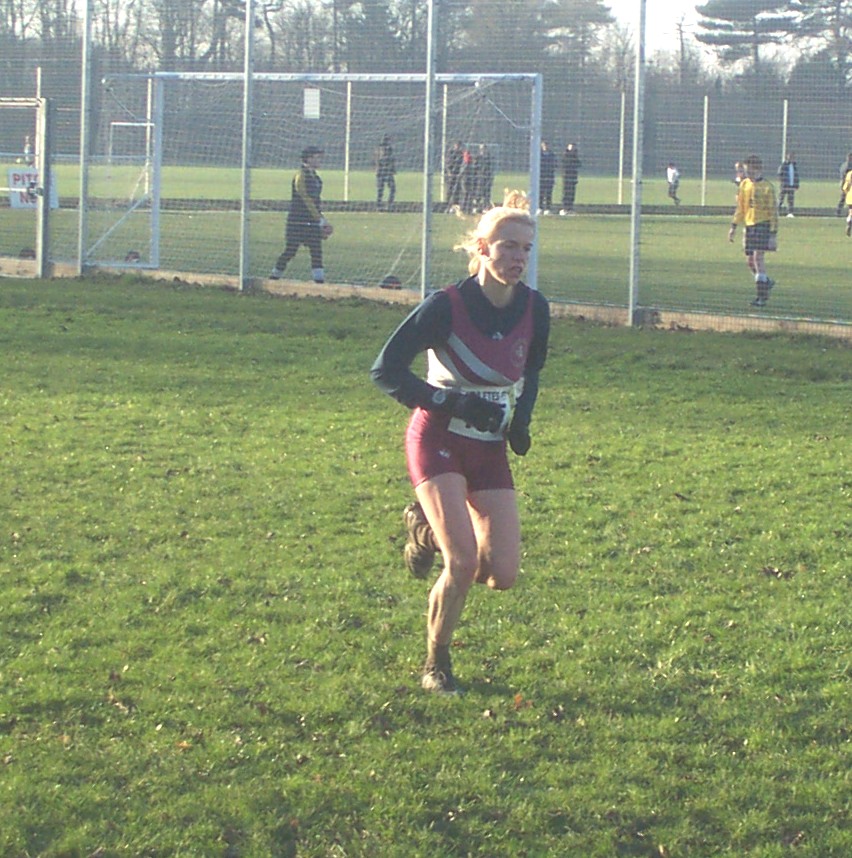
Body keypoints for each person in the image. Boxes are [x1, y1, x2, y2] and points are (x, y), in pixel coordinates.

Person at [370, 190, 550, 695]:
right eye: (507, 246)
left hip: (488, 446)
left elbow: (532, 372)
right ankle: (437, 662)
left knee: (502, 574)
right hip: (437, 438)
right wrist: (453, 403)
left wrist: (522, 420)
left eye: (526, 249)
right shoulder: (445, 306)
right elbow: (385, 371)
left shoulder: (535, 307)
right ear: (482, 248)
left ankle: (425, 531)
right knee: (463, 562)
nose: (517, 257)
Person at [270, 145, 332, 284]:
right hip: (298, 220)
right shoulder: (301, 176)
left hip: (312, 220)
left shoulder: (317, 178)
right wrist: (320, 220)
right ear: (308, 159)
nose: (319, 160)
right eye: (317, 157)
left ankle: (319, 282)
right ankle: (274, 278)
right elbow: (305, 198)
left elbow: (316, 202)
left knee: (316, 251)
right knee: (290, 250)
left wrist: (322, 220)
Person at [728, 154, 778, 308]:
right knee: (750, 261)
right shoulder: (745, 185)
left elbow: (773, 212)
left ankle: (761, 297)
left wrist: (773, 234)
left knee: (758, 258)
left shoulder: (767, 187)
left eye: (750, 171)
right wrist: (733, 226)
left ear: (758, 169)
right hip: (749, 226)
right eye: (746, 171)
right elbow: (741, 208)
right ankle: (766, 281)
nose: (747, 174)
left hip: (762, 225)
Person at [375, 135, 396, 211]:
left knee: (381, 190)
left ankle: (379, 205)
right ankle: (389, 205)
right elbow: (389, 160)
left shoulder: (378, 149)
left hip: (381, 172)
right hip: (386, 171)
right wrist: (392, 169)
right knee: (391, 188)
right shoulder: (388, 149)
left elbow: (377, 160)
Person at [560, 142, 581, 215]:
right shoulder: (565, 155)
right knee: (566, 193)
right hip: (566, 177)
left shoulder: (575, 156)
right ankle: (565, 208)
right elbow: (565, 164)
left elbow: (579, 164)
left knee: (572, 193)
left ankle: (570, 208)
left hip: (573, 177)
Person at [473, 143, 494, 212]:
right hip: (479, 177)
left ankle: (486, 207)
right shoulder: (477, 156)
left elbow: (491, 168)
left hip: (487, 177)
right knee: (478, 193)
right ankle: (477, 207)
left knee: (486, 193)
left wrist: (491, 177)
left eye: (484, 148)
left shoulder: (489, 157)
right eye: (481, 148)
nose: (482, 150)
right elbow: (475, 167)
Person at [777, 151, 799, 217]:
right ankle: (777, 212)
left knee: (790, 200)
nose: (792, 158)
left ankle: (790, 213)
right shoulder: (783, 165)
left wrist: (796, 185)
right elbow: (779, 175)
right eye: (790, 157)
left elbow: (796, 176)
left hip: (791, 186)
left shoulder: (794, 166)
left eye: (793, 157)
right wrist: (783, 183)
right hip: (784, 186)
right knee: (781, 199)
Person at [445, 140, 465, 211]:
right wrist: (449, 171)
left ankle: (455, 205)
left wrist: (460, 173)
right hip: (451, 174)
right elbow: (447, 162)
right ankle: (447, 205)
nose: (458, 147)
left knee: (457, 190)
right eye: (457, 145)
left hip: (458, 174)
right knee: (450, 189)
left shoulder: (461, 153)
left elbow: (462, 163)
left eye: (459, 146)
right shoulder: (451, 152)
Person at [539, 140, 557, 214]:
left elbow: (554, 165)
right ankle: (539, 207)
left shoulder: (552, 155)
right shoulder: (539, 155)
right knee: (541, 193)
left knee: (548, 193)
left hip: (550, 176)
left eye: (547, 145)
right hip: (541, 177)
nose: (545, 147)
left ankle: (547, 208)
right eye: (544, 145)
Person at [841, 161, 852, 237]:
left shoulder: (849, 174)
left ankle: (849, 221)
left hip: (850, 197)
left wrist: (846, 192)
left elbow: (845, 187)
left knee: (850, 211)